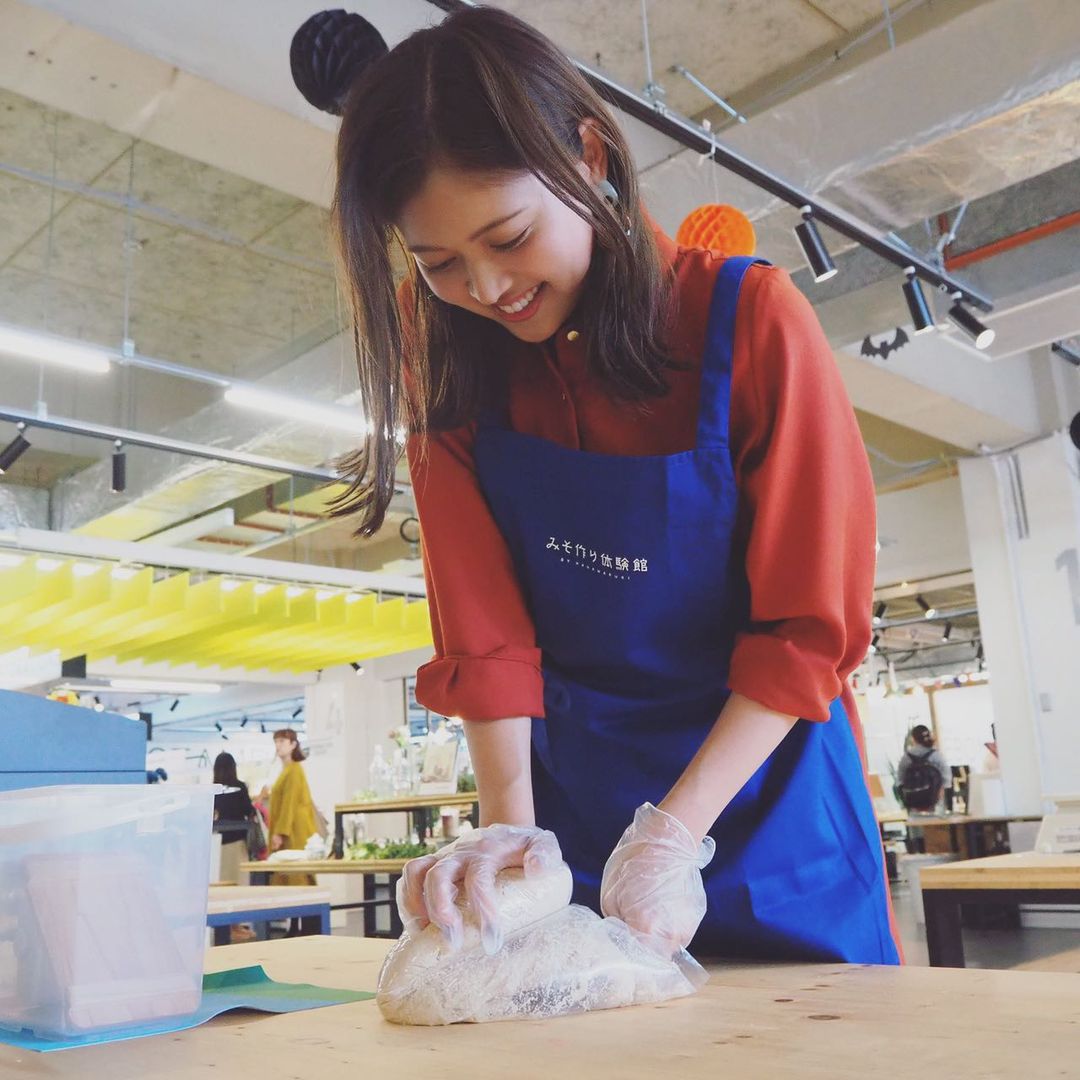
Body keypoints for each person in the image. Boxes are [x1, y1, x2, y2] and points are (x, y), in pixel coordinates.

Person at [317, 6, 900, 964]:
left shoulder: (749, 320)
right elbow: (485, 628)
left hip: (771, 802)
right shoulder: (447, 356)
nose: (488, 289)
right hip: (577, 816)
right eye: (440, 264)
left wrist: (673, 837)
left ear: (588, 157)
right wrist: (512, 831)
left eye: (509, 237)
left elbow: (807, 628)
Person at [268, 728, 318, 888]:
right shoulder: (287, 770)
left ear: (293, 744)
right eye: (276, 741)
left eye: (282, 741)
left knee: (295, 874)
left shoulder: (294, 770)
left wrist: (280, 832)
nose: (278, 745)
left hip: (294, 830)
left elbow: (289, 802)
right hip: (290, 828)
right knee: (288, 874)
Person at [212, 752, 256, 884]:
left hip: (219, 843)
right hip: (238, 840)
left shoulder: (213, 790)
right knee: (240, 880)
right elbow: (248, 810)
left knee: (222, 880)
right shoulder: (240, 787)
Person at [897, 725, 951, 812]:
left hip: (913, 802)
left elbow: (900, 780)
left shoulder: (906, 757)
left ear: (913, 739)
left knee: (916, 819)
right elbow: (946, 777)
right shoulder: (936, 755)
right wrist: (941, 793)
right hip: (934, 800)